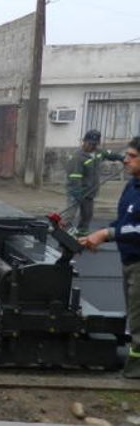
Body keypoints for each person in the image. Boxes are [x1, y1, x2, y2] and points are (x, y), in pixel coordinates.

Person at [79, 136, 140, 378]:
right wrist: (96, 235)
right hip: (130, 261)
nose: (125, 160)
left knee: (139, 320)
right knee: (134, 314)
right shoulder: (132, 186)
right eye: (127, 155)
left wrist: (107, 233)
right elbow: (125, 222)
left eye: (133, 156)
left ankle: (135, 373)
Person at [65, 129, 123, 236]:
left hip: (90, 191)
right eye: (90, 144)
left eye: (95, 144)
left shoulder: (98, 153)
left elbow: (109, 154)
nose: (92, 146)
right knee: (70, 214)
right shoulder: (78, 157)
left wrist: (122, 158)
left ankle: (82, 234)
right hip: (77, 191)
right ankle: (63, 234)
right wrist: (76, 192)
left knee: (87, 214)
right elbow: (75, 177)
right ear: (84, 141)